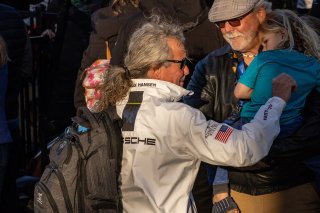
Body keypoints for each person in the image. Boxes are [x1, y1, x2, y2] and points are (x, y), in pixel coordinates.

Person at [86, 16, 296, 212]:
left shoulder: (112, 106)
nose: (186, 71)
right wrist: (276, 101)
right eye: (182, 63)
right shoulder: (177, 117)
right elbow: (246, 147)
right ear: (155, 68)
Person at [185, 0, 320, 212]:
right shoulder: (211, 65)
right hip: (237, 194)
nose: (227, 29)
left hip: (294, 186)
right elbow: (195, 127)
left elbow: (316, 124)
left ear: (260, 14)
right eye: (220, 24)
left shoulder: (300, 56)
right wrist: (218, 193)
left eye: (235, 20)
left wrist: (261, 151)